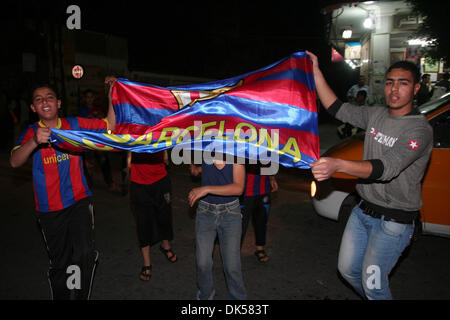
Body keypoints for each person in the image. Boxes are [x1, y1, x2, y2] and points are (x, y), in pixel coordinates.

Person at [306, 50, 433, 300]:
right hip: (363, 211)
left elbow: (386, 169)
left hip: (394, 222)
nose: (394, 90)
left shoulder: (419, 130)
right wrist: (316, 72)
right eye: (389, 83)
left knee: (374, 284)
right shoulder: (376, 114)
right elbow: (337, 108)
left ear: (416, 89)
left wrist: (338, 164)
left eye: (403, 83)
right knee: (347, 271)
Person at [9, 81, 116, 300]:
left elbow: (109, 126)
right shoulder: (30, 131)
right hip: (50, 210)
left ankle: (79, 295)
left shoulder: (74, 123)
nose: (44, 102)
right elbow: (14, 161)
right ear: (33, 108)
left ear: (58, 103)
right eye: (38, 99)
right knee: (62, 262)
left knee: (85, 254)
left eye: (49, 97)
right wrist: (34, 141)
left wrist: (112, 95)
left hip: (79, 201)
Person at [189, 154, 246, 300]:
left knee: (232, 266)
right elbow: (202, 171)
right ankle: (205, 295)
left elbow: (238, 188)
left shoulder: (236, 153)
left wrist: (206, 189)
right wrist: (195, 168)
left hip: (230, 213)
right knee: (202, 263)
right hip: (205, 211)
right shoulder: (206, 149)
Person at [128, 150, 178, 281]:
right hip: (139, 183)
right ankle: (146, 262)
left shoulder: (157, 128)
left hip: (160, 179)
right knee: (143, 222)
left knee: (164, 216)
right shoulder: (132, 128)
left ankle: (165, 245)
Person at [78, 89, 115, 191]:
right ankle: (88, 184)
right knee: (88, 163)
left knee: (104, 160)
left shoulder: (98, 109)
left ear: (94, 98)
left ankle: (110, 182)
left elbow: (105, 121)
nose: (89, 99)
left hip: (98, 139)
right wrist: (89, 117)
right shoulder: (82, 110)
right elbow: (81, 124)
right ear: (85, 99)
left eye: (91, 97)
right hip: (87, 140)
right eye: (87, 97)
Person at [240, 163, 278, 262]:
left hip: (263, 190)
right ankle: (233, 252)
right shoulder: (243, 148)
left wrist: (272, 178)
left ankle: (260, 249)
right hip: (244, 192)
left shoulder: (266, 148)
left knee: (261, 221)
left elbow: (269, 161)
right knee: (239, 224)